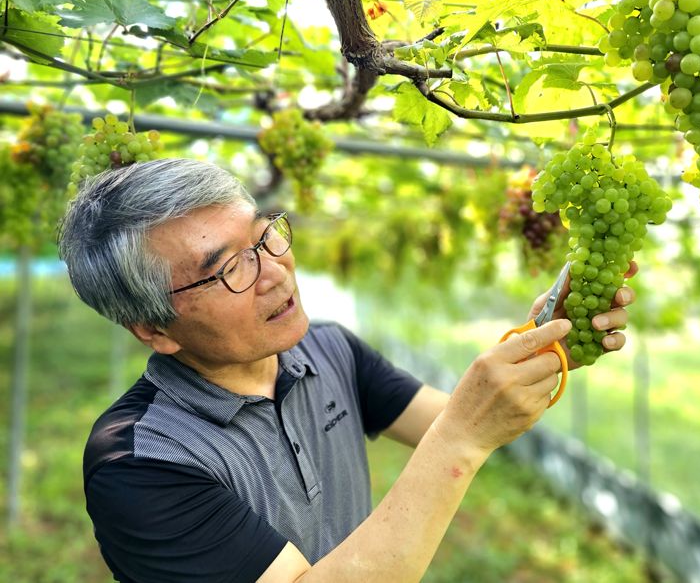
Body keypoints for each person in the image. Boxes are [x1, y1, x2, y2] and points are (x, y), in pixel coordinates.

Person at [58, 158, 635, 583]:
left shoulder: (329, 350)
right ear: (152, 328)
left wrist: (548, 344)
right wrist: (463, 437)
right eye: (229, 267)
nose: (274, 273)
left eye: (264, 237)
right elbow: (458, 429)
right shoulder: (141, 463)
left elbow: (448, 418)